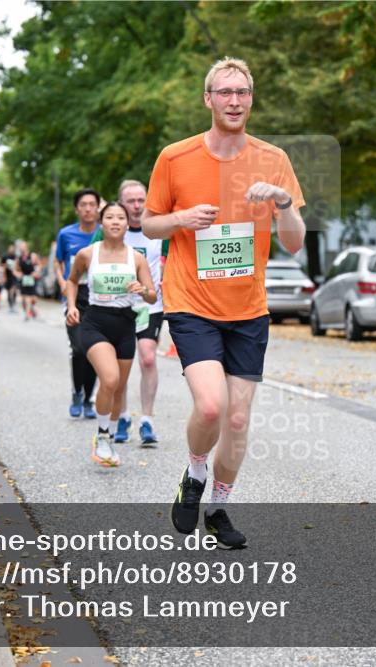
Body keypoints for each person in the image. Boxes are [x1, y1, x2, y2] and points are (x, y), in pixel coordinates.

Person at [143, 57, 306, 549]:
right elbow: (149, 224)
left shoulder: (273, 159)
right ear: (208, 99)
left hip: (248, 308)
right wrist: (181, 219)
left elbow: (295, 242)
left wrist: (281, 201)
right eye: (225, 92)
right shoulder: (175, 157)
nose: (234, 101)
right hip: (191, 300)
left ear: (251, 99)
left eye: (243, 92)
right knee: (211, 407)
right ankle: (194, 475)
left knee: (237, 419)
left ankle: (217, 506)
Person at [66, 202, 158, 467]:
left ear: (128, 224)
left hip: (125, 324)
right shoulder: (87, 253)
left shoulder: (136, 258)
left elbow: (152, 297)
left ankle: (108, 433)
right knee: (110, 378)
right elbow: (72, 280)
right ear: (101, 222)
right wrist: (72, 306)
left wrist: (141, 289)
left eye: (121, 218)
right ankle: (102, 436)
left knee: (117, 388)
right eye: (110, 217)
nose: (115, 221)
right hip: (95, 322)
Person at [91, 179, 165, 445]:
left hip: (149, 306)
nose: (136, 206)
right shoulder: (107, 231)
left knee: (147, 358)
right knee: (119, 369)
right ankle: (121, 416)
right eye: (130, 201)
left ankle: (147, 420)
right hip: (115, 308)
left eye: (140, 200)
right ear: (121, 203)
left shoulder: (158, 228)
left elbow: (170, 261)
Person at [55, 188, 102, 419]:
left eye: (92, 204)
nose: (87, 208)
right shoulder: (66, 234)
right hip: (74, 296)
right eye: (83, 204)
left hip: (98, 297)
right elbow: (58, 261)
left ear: (98, 207)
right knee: (79, 348)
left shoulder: (104, 233)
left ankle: (88, 400)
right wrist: (62, 282)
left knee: (93, 350)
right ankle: (76, 393)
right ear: (77, 209)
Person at [15, 242, 40, 321]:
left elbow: (39, 265)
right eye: (20, 247)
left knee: (32, 299)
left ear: (26, 247)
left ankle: (29, 313)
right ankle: (29, 313)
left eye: (23, 247)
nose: (21, 248)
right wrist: (18, 274)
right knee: (24, 299)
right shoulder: (19, 258)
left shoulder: (32, 256)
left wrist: (36, 272)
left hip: (32, 279)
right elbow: (15, 270)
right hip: (24, 279)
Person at [2, 244, 20, 313]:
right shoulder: (5, 257)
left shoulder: (16, 257)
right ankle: (10, 305)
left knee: (13, 290)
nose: (11, 250)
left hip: (14, 277)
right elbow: (2, 266)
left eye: (12, 249)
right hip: (7, 276)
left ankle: (13, 304)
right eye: (10, 249)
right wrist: (4, 276)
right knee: (9, 292)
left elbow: (18, 267)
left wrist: (17, 264)